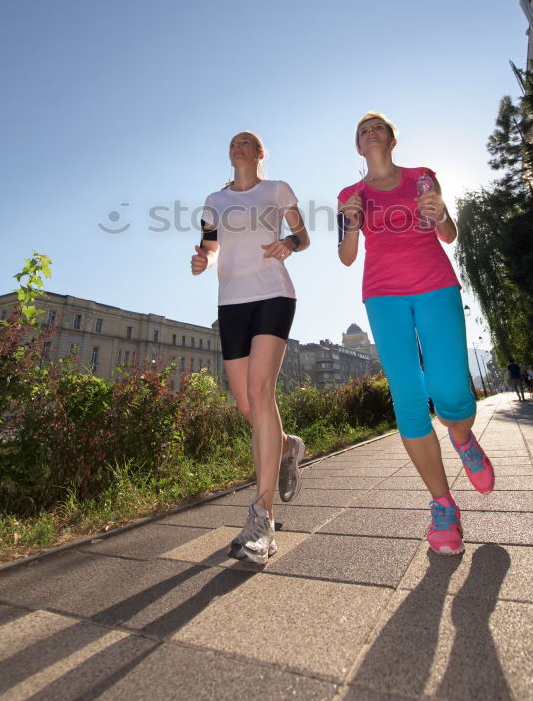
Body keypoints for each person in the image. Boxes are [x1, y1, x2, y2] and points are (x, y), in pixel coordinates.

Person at [337, 111, 494, 556]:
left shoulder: (423, 178)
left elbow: (448, 233)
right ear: (358, 146)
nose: (370, 132)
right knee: (407, 395)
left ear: (391, 139)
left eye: (378, 128)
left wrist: (442, 213)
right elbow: (347, 257)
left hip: (435, 286)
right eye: (362, 130)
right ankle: (443, 505)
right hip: (383, 295)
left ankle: (462, 438)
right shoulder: (351, 195)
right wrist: (350, 222)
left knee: (450, 392)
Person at [191, 130, 310, 565]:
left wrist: (289, 244)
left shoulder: (277, 190)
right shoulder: (213, 201)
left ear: (261, 154)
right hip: (231, 302)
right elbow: (209, 243)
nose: (236, 146)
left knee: (262, 394)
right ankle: (287, 448)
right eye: (232, 143)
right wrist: (202, 258)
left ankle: (263, 523)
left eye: (246, 142)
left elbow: (303, 236)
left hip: (272, 294)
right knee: (244, 402)